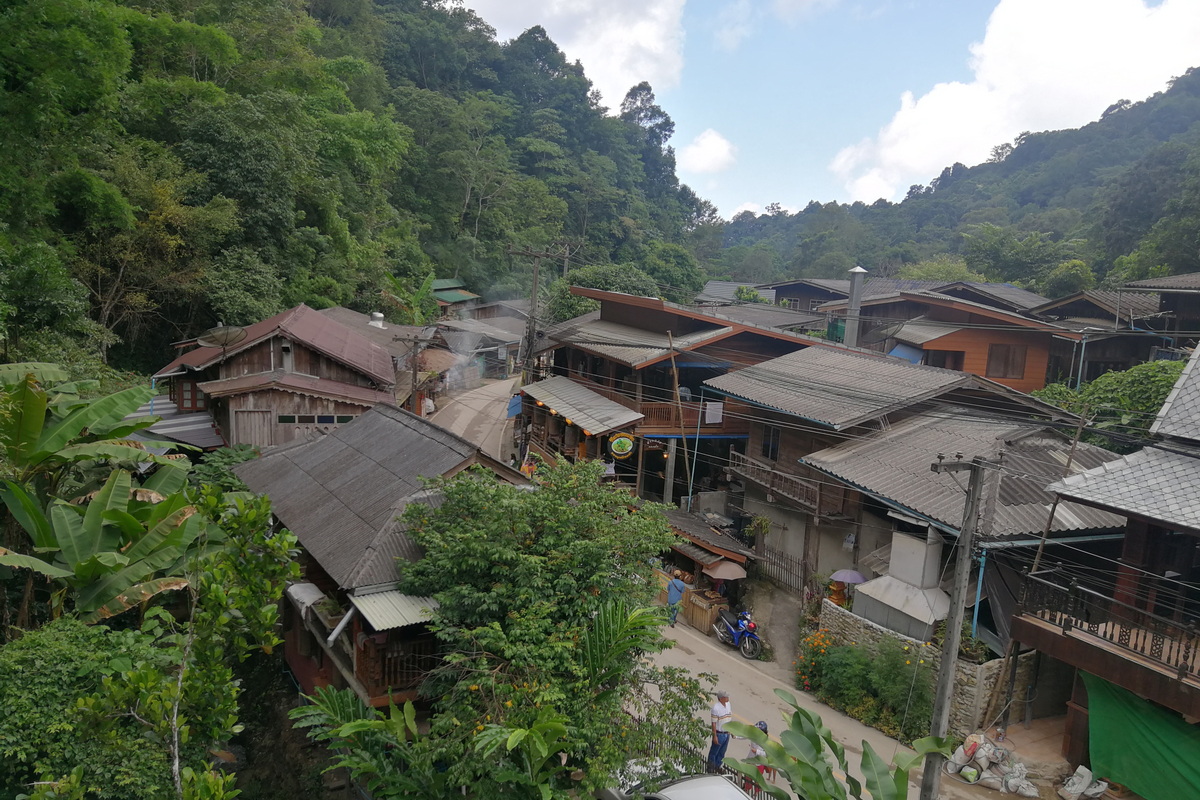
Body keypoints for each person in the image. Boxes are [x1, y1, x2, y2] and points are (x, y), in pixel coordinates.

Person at [707, 690, 732, 773]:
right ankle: (711, 768)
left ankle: (717, 766)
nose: (727, 698)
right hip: (719, 733)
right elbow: (713, 723)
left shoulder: (728, 705)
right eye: (726, 697)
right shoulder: (716, 708)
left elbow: (729, 718)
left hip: (726, 733)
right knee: (714, 752)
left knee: (722, 752)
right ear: (721, 698)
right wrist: (715, 736)